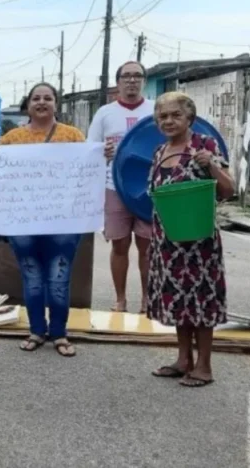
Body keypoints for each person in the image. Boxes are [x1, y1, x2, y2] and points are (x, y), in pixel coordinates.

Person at [0, 82, 86, 357]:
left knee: (59, 278)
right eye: (36, 98)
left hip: (63, 222)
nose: (41, 102)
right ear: (28, 105)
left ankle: (60, 334)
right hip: (23, 222)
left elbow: (89, 167)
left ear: (55, 104)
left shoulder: (72, 136)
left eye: (47, 98)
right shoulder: (12, 138)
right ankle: (37, 330)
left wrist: (102, 156)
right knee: (32, 277)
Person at [147, 92, 233, 387]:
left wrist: (211, 165)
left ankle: (204, 366)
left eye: (175, 115)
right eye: (163, 116)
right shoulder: (160, 152)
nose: (169, 121)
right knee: (178, 301)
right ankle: (184, 359)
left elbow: (228, 190)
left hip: (199, 244)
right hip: (168, 242)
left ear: (190, 119)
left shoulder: (205, 146)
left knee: (201, 302)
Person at [87, 61, 154, 313]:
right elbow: (90, 148)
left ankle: (147, 299)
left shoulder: (156, 110)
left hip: (148, 189)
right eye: (126, 76)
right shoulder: (105, 113)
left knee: (147, 247)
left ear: (144, 81)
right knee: (119, 245)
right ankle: (120, 299)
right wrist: (101, 152)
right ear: (118, 82)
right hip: (113, 187)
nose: (132, 80)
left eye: (137, 75)